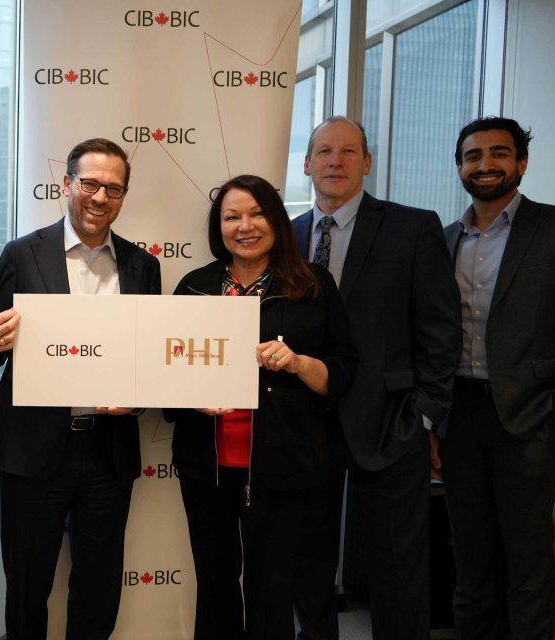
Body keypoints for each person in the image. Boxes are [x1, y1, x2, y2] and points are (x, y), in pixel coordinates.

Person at [0, 138, 161, 639]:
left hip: (107, 450)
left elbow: (148, 361)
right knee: (27, 585)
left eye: (113, 189)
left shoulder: (144, 267)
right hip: (33, 450)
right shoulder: (22, 254)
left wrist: (137, 396)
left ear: (123, 196)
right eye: (90, 184)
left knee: (99, 588)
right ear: (67, 184)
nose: (99, 197)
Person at [164, 175, 357, 639]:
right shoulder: (195, 287)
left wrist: (299, 363)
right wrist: (191, 397)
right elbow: (165, 375)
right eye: (232, 217)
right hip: (206, 467)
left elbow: (344, 373)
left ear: (276, 220)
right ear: (219, 227)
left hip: (284, 467)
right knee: (214, 585)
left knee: (273, 590)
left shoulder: (311, 286)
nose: (245, 226)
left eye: (256, 213)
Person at [291, 116, 461, 640]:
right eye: (324, 152)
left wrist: (427, 413)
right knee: (308, 559)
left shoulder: (413, 227)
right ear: (307, 164)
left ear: (367, 162)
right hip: (306, 423)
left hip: (392, 422)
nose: (335, 162)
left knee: (397, 565)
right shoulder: (287, 236)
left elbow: (441, 327)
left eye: (347, 152)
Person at [434, 116, 554, 639]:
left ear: (521, 163)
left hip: (531, 417)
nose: (485, 165)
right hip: (459, 415)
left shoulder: (550, 230)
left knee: (529, 562)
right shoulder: (442, 240)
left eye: (499, 154)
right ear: (460, 166)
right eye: (473, 156)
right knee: (471, 560)